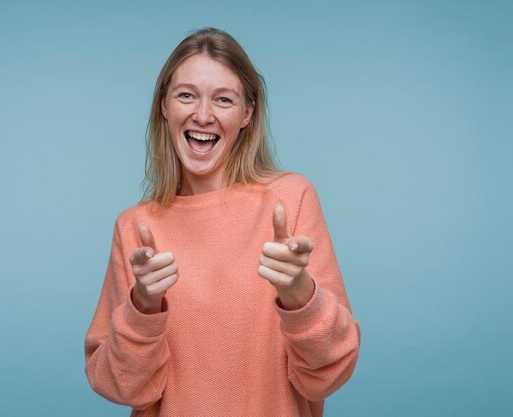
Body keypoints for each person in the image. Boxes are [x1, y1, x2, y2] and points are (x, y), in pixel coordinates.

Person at [84, 27, 360, 417]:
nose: (202, 115)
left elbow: (330, 375)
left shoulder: (291, 200)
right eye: (186, 95)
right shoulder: (135, 227)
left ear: (248, 113)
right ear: (164, 105)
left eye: (223, 100)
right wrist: (143, 307)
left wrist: (300, 295)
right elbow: (122, 387)